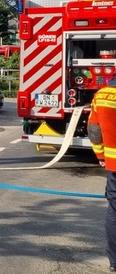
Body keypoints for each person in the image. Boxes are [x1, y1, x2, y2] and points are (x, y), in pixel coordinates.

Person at [87, 79, 116, 271]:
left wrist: (100, 154)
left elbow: (94, 130)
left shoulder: (102, 95)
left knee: (114, 210)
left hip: (114, 164)